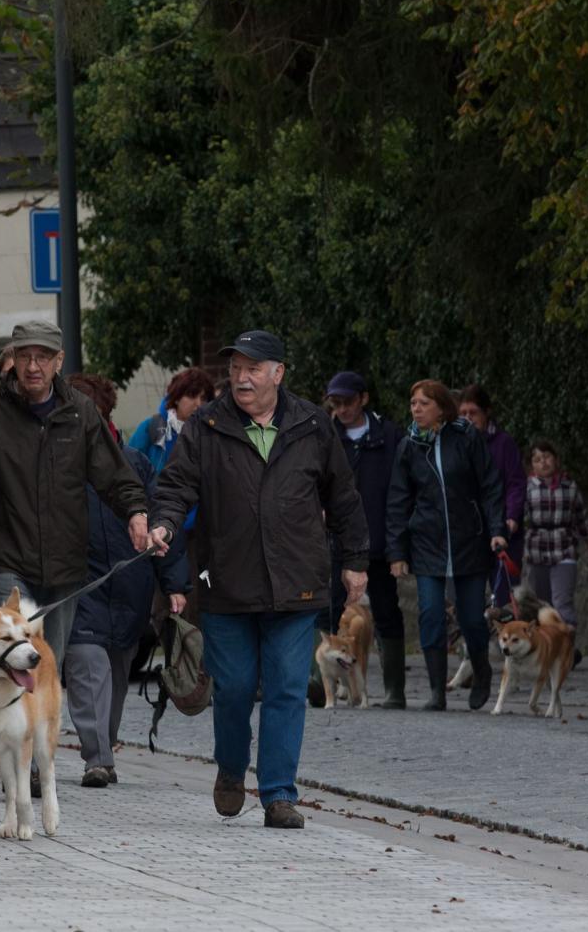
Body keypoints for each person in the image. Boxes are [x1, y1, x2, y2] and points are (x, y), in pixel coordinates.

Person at [149, 330, 370, 829]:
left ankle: (277, 794)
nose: (241, 378)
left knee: (289, 687)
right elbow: (175, 485)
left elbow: (343, 496)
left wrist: (355, 558)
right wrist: (162, 523)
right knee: (234, 688)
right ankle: (230, 770)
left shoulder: (313, 423)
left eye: (252, 368)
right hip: (226, 581)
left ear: (278, 373)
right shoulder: (205, 425)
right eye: (234, 369)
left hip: (298, 583)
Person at [0, 319, 150, 666]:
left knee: (48, 664)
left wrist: (136, 512)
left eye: (43, 357)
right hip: (5, 555)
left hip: (65, 562)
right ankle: (7, 720)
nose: (33, 366)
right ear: (13, 358)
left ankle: (42, 722)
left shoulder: (80, 412)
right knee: (12, 657)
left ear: (59, 360)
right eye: (25, 356)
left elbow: (114, 474)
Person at [65, 373, 190, 788]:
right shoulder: (58, 469)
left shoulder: (135, 465)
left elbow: (162, 527)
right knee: (87, 667)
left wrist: (174, 585)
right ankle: (97, 756)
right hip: (80, 587)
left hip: (130, 587)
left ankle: (106, 742)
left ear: (106, 418)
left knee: (116, 675)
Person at [386, 379, 507, 712]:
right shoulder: (409, 446)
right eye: (413, 403)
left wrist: (496, 528)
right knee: (430, 614)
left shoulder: (466, 437)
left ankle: (481, 672)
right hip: (427, 542)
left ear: (441, 406)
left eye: (423, 403)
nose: (416, 409)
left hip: (468, 539)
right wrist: (396, 552)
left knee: (471, 618)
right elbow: (398, 500)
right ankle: (437, 689)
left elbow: (490, 486)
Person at [318, 370, 406, 709]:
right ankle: (320, 682)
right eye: (335, 403)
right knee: (328, 608)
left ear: (363, 399)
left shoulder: (388, 435)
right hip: (337, 537)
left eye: (348, 402)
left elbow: (399, 491)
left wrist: (397, 544)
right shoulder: (324, 434)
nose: (341, 409)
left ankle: (394, 689)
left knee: (386, 610)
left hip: (379, 536)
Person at [458, 384, 526, 604]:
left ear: (487, 412)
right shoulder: (455, 446)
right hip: (470, 534)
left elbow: (516, 483)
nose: (468, 418)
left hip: (503, 530)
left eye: (473, 413)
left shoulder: (503, 443)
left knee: (505, 597)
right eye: (463, 413)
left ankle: (508, 635)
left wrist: (512, 518)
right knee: (470, 598)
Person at [524, 439, 588, 632]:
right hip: (536, 551)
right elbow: (518, 516)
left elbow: (581, 516)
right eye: (537, 459)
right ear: (532, 465)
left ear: (555, 460)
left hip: (564, 548)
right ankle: (546, 648)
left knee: (562, 601)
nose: (543, 462)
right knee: (541, 604)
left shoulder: (569, 487)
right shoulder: (527, 488)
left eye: (547, 457)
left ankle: (567, 645)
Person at [128, 368, 215, 476]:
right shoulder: (150, 427)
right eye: (192, 396)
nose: (198, 404)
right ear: (177, 398)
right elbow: (129, 470)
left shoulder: (211, 433)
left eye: (203, 398)